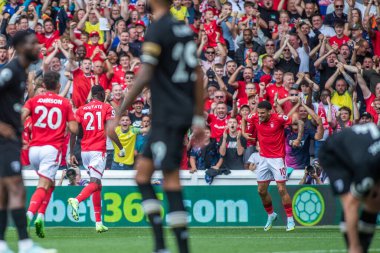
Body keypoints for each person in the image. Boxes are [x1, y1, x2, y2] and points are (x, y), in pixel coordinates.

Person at [107, 1, 205, 252]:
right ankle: (160, 245)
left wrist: (119, 111)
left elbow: (146, 73)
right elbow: (197, 73)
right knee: (142, 174)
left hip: (169, 114)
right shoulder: (183, 29)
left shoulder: (157, 29)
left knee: (170, 178)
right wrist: (197, 117)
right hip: (175, 113)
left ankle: (181, 248)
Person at [0, 31, 57, 253]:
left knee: (5, 192)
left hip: (11, 140)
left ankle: (3, 244)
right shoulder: (11, 71)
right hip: (5, 140)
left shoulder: (22, 72)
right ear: (21, 47)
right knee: (16, 188)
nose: (38, 46)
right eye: (33, 43)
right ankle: (25, 245)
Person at [22, 71, 78, 239]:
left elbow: (22, 116)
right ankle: (29, 216)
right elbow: (74, 129)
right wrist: (68, 124)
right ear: (59, 85)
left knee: (50, 183)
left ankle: (41, 217)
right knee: (43, 185)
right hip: (51, 149)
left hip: (34, 150)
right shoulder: (65, 103)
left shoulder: (33, 100)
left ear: (44, 86)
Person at [319, 123, 380, 253]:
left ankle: (362, 246)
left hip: (356, 150)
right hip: (334, 155)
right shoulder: (368, 163)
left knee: (376, 200)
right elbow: (353, 202)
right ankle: (354, 247)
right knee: (351, 202)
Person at [68, 85, 121, 233]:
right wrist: (120, 147)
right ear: (101, 94)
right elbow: (110, 130)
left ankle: (98, 223)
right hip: (98, 150)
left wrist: (71, 152)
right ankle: (76, 200)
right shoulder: (106, 107)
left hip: (84, 151)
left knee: (98, 184)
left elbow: (73, 132)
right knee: (94, 182)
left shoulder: (80, 109)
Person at [251, 101, 304, 232]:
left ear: (270, 112)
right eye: (259, 113)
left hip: (277, 160)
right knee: (261, 191)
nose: (260, 115)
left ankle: (290, 219)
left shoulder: (279, 119)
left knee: (281, 189)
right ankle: (271, 215)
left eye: (263, 113)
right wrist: (243, 131)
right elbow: (245, 120)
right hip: (263, 159)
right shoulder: (255, 117)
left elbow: (300, 123)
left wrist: (298, 138)